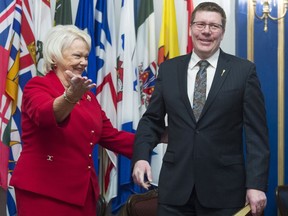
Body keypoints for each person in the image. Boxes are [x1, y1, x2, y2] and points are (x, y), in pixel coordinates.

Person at [132, 2, 270, 216]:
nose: (206, 31)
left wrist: (257, 184)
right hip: (175, 191)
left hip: (224, 192)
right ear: (190, 29)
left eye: (214, 26)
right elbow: (151, 120)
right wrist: (141, 156)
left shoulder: (243, 71)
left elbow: (257, 135)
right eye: (200, 24)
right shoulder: (168, 69)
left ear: (222, 32)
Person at [10, 25, 134, 216]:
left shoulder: (88, 97)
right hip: (44, 191)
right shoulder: (37, 86)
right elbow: (46, 116)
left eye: (86, 56)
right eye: (77, 56)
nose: (84, 62)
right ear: (55, 57)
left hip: (82, 194)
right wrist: (70, 98)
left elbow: (112, 136)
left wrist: (159, 136)